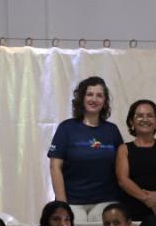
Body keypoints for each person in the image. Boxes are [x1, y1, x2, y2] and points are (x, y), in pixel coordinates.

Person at [48, 75, 124, 215]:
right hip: (72, 202)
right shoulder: (66, 128)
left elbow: (121, 167)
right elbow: (55, 167)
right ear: (82, 98)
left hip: (106, 201)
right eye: (89, 94)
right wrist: (62, 204)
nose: (94, 99)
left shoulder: (112, 130)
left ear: (105, 101)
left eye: (99, 95)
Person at [115, 98, 156, 223]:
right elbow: (123, 180)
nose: (145, 119)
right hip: (133, 207)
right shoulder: (124, 149)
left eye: (150, 116)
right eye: (139, 116)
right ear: (131, 121)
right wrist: (148, 199)